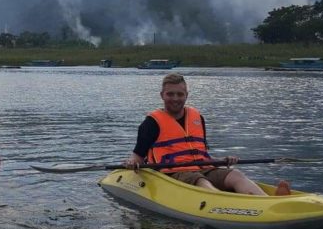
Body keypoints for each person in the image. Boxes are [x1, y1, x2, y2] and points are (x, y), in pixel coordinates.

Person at [123, 72, 291, 196]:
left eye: (180, 94)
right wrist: (132, 163)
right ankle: (226, 204)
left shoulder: (197, 118)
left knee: (236, 175)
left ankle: (268, 200)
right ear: (162, 95)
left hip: (203, 167)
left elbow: (199, 150)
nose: (175, 98)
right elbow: (138, 156)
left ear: (186, 95)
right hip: (173, 173)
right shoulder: (151, 123)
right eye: (170, 94)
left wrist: (223, 160)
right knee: (201, 181)